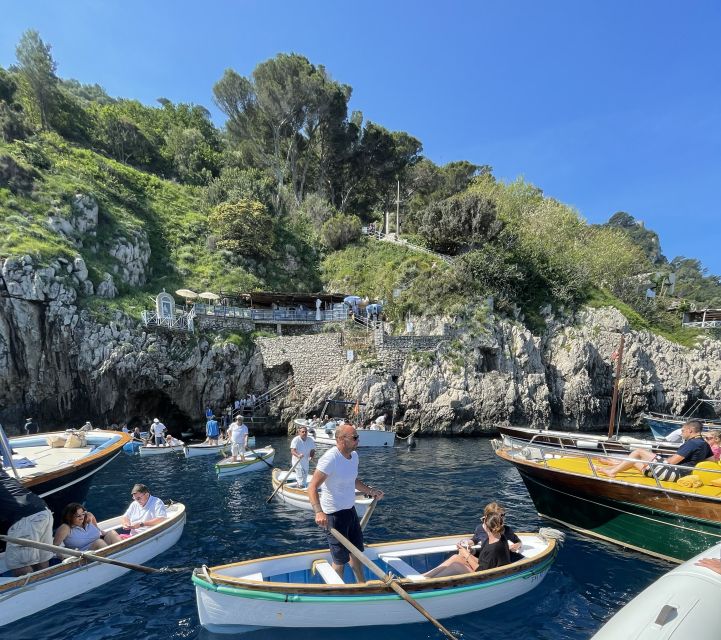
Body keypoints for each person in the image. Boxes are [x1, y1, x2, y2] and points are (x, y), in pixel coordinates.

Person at [307, 423, 384, 582]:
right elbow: (312, 487)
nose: (358, 440)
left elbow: (353, 480)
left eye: (357, 437)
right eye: (355, 437)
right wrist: (318, 512)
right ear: (342, 440)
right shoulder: (330, 458)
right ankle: (338, 592)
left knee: (356, 552)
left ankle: (361, 585)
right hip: (333, 516)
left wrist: (370, 491)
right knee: (340, 560)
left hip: (350, 511)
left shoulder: (354, 456)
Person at [598, 420, 713, 481]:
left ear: (690, 430)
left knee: (638, 451)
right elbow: (712, 461)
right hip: (685, 474)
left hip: (674, 474)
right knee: (636, 461)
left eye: (683, 431)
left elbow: (671, 462)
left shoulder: (692, 443)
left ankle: (612, 471)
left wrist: (657, 459)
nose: (682, 434)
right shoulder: (704, 444)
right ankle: (612, 466)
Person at [0, 469, 54, 576]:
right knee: (41, 559)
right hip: (43, 511)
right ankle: (47, 584)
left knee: (20, 565)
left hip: (25, 519)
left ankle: (32, 590)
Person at [424, 512, 511, 578]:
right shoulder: (496, 537)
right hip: (486, 569)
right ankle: (425, 576)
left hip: (486, 576)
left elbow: (481, 571)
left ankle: (429, 582)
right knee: (456, 557)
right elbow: (484, 560)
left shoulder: (494, 547)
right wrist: (470, 552)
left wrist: (467, 555)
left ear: (486, 527)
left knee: (456, 567)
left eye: (483, 521)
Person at [53, 502, 122, 551]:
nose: (81, 517)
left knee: (111, 533)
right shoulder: (65, 528)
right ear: (69, 517)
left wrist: (104, 534)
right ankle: (114, 559)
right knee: (99, 542)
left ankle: (122, 553)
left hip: (102, 548)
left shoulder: (89, 517)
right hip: (83, 556)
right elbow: (54, 547)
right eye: (78, 516)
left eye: (83, 514)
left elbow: (98, 530)